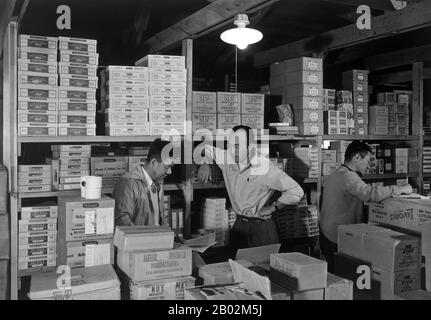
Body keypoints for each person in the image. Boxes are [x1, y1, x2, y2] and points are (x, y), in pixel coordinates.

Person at [196, 125, 304, 250]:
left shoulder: (264, 167)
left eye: (236, 146)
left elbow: (296, 191)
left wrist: (273, 207)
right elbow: (205, 148)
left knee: (262, 268)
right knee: (236, 267)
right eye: (229, 145)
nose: (231, 151)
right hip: (239, 226)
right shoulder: (228, 158)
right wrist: (206, 162)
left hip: (261, 229)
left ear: (250, 147)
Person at [319, 140, 413, 272]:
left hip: (327, 234)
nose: (369, 166)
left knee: (337, 277)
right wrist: (399, 189)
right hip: (337, 237)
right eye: (368, 161)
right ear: (357, 157)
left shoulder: (336, 174)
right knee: (343, 279)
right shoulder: (348, 176)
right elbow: (370, 193)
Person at [113, 138, 175, 226]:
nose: (170, 172)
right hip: (138, 239)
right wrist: (143, 239)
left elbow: (161, 219)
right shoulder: (128, 183)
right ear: (154, 162)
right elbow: (122, 221)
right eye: (166, 167)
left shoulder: (158, 182)